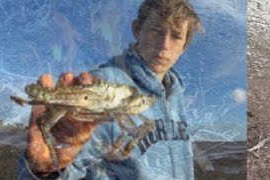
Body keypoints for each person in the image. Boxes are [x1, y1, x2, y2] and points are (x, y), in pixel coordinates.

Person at [18, 0, 203, 179]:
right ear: (137, 30)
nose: (165, 44)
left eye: (176, 36)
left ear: (184, 46)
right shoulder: (99, 84)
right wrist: (43, 172)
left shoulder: (176, 94)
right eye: (156, 30)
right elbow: (62, 157)